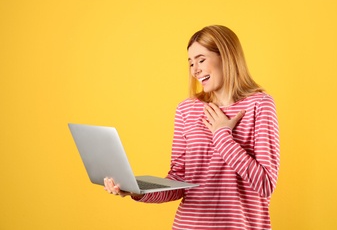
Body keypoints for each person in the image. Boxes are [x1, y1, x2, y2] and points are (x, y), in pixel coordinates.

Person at [104, 25, 280, 230]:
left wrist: (222, 135)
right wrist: (136, 189)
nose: (195, 70)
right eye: (190, 63)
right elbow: (178, 181)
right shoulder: (186, 110)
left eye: (201, 60)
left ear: (226, 56)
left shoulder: (259, 105)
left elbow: (266, 184)